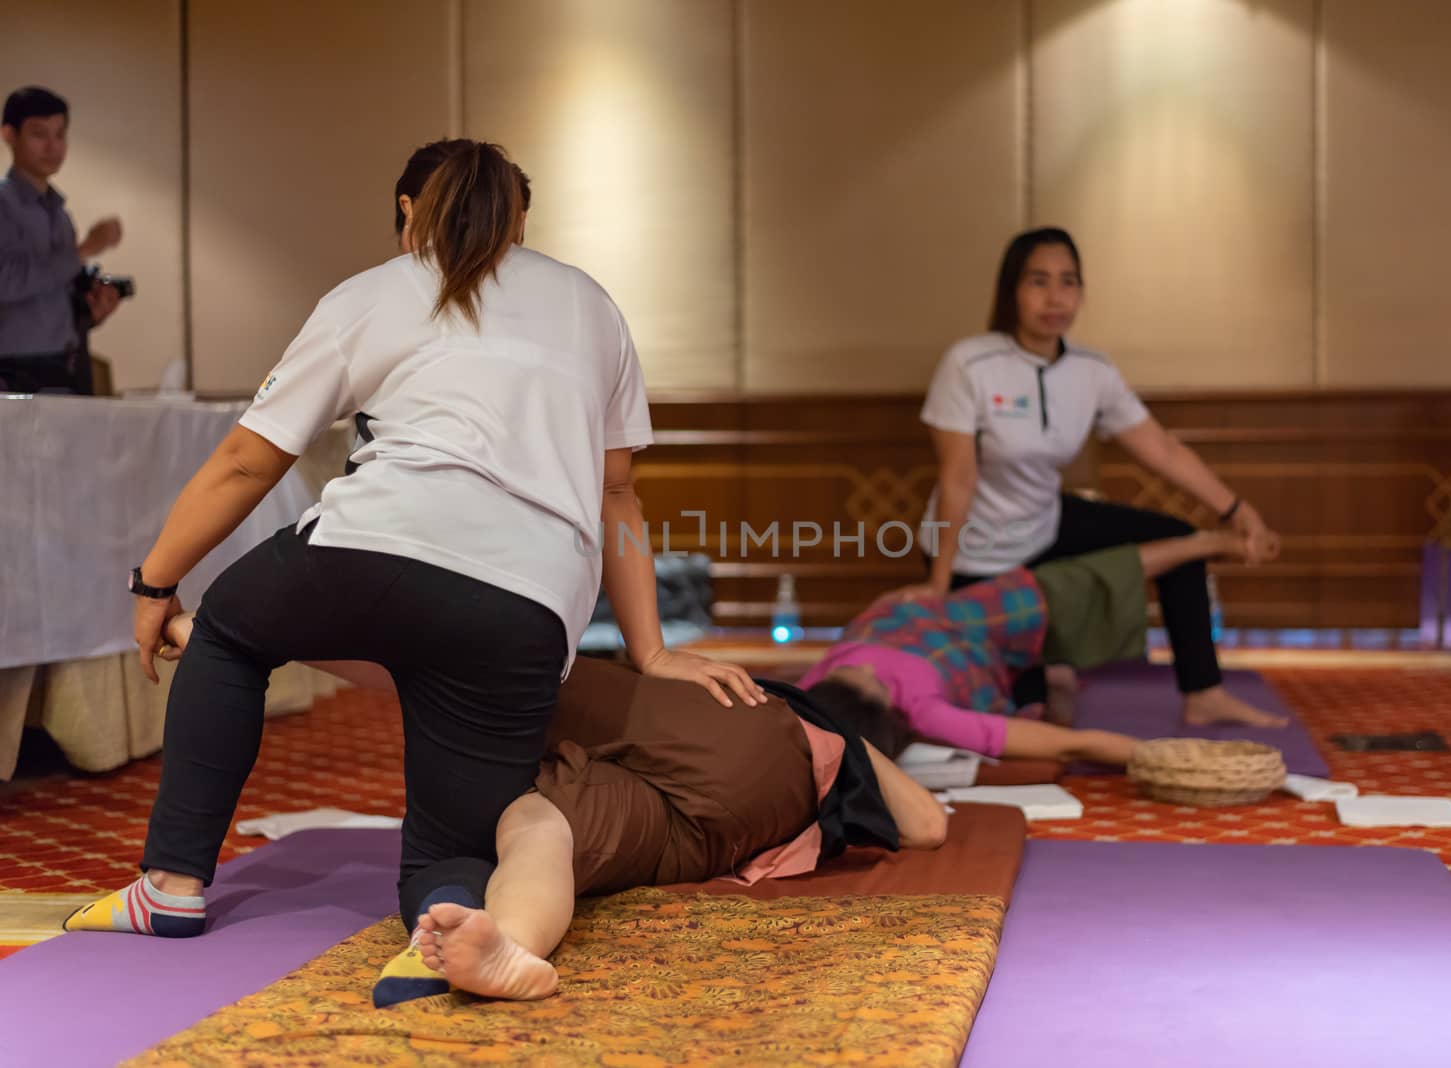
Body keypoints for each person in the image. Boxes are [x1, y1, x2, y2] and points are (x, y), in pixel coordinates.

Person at [64, 141, 762, 958]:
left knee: (229, 629)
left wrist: (156, 585)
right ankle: (453, 929)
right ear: (521, 219)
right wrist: (652, 652)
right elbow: (616, 495)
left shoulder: (372, 292)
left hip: (371, 551)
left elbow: (250, 460)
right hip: (524, 604)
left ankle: (172, 888)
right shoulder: (591, 304)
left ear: (407, 211)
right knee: (448, 850)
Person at [150, 614, 946, 1006]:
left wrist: (839, 720)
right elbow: (930, 825)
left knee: (493, 679)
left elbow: (420, 673)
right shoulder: (832, 759)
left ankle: (242, 634)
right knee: (537, 825)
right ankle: (511, 946)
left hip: (737, 738)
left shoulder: (790, 709)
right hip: (728, 828)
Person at [901, 226, 1283, 728]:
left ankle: (1203, 691)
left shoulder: (1091, 371)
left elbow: (1161, 449)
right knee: (1026, 712)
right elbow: (958, 479)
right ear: (1011, 289)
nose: (1055, 297)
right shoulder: (969, 363)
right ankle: (1051, 673)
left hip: (1046, 521)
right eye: (1038, 281)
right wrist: (938, 583)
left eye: (1068, 282)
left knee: (1179, 540)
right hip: (977, 548)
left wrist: (1237, 511)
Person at [806, 532, 1285, 769]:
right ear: (887, 710)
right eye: (866, 677)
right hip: (970, 644)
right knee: (1045, 719)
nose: (865, 664)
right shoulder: (928, 714)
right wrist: (1188, 758)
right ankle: (1052, 680)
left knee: (1067, 586)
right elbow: (1079, 744)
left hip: (934, 611)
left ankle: (1199, 542)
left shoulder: (807, 700)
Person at [0, 86, 123, 392]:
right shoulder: (3, 205)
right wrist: (85, 249)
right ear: (9, 135)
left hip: (67, 362)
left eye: (60, 134)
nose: (52, 146)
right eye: (39, 134)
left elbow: (55, 293)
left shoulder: (59, 212)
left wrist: (92, 308)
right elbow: (6, 281)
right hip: (14, 370)